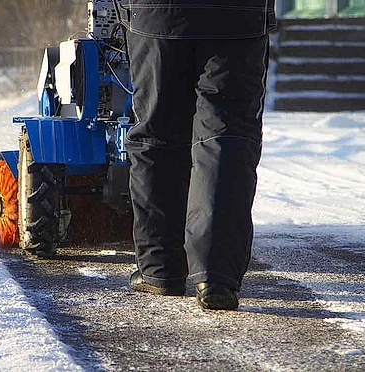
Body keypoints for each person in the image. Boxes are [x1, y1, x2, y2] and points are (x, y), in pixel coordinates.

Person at [118, 0, 276, 310]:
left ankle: (160, 268)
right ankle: (215, 276)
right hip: (237, 16)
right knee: (225, 135)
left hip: (154, 13)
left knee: (156, 133)